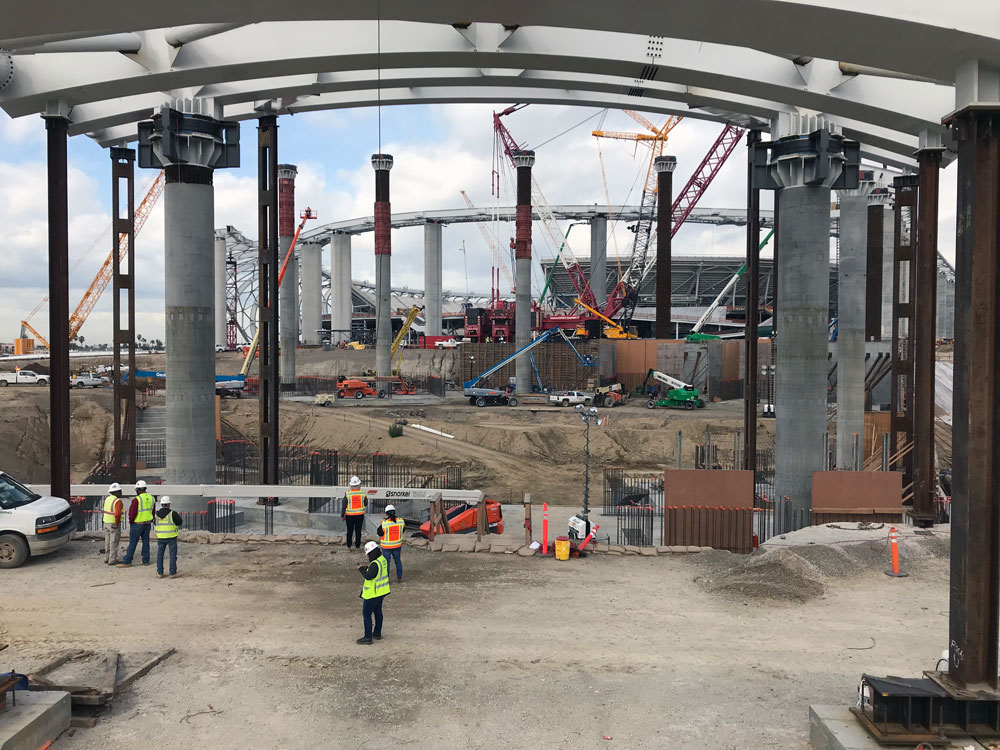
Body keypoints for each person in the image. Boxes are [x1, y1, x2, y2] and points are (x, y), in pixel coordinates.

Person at [357, 540, 390, 645]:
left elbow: (369, 576)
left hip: (372, 594)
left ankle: (368, 637)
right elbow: (376, 572)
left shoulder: (375, 564)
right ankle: (377, 633)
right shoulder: (382, 559)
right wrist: (367, 568)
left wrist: (361, 569)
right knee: (378, 612)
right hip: (381, 592)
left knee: (367, 614)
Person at [119, 480, 155, 568]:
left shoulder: (136, 500)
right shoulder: (152, 498)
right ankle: (146, 560)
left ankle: (127, 561)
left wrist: (131, 522)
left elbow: (132, 513)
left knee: (133, 543)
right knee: (146, 542)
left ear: (137, 490)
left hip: (137, 524)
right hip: (147, 524)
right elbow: (153, 511)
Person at [154, 496, 183, 579]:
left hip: (160, 537)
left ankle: (160, 573)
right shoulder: (172, 513)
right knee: (173, 555)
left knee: (160, 555)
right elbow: (179, 522)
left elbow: (155, 523)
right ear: (169, 504)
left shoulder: (156, 514)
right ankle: (172, 573)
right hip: (171, 537)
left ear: (161, 504)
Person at [378, 504, 405, 582]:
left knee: (386, 563)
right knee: (398, 561)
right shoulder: (401, 521)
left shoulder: (384, 524)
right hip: (397, 546)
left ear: (386, 514)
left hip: (386, 547)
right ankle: (399, 577)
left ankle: (386, 579)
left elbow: (379, 533)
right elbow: (402, 531)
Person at [340, 476, 366, 549]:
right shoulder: (362, 494)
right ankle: (357, 545)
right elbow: (366, 503)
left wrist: (342, 515)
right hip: (360, 515)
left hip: (349, 516)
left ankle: (349, 546)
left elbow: (343, 506)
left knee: (349, 531)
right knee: (358, 531)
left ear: (350, 486)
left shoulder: (347, 494)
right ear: (359, 485)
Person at [102, 483, 124, 565]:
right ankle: (112, 560)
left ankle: (106, 558)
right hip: (113, 523)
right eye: (120, 491)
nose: (121, 492)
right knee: (114, 542)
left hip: (106, 522)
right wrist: (116, 523)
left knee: (107, 541)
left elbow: (104, 509)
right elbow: (117, 514)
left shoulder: (107, 499)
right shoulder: (117, 501)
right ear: (116, 492)